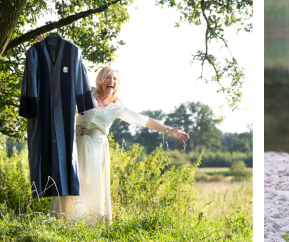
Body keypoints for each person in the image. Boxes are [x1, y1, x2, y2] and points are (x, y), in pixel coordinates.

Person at [37, 47, 189, 224]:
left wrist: (168, 130)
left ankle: (90, 225)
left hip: (96, 148)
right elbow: (65, 79)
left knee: (92, 186)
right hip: (75, 145)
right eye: (108, 77)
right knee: (72, 182)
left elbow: (144, 120)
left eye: (115, 79)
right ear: (101, 79)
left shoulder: (118, 107)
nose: (112, 81)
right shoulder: (86, 93)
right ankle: (65, 222)